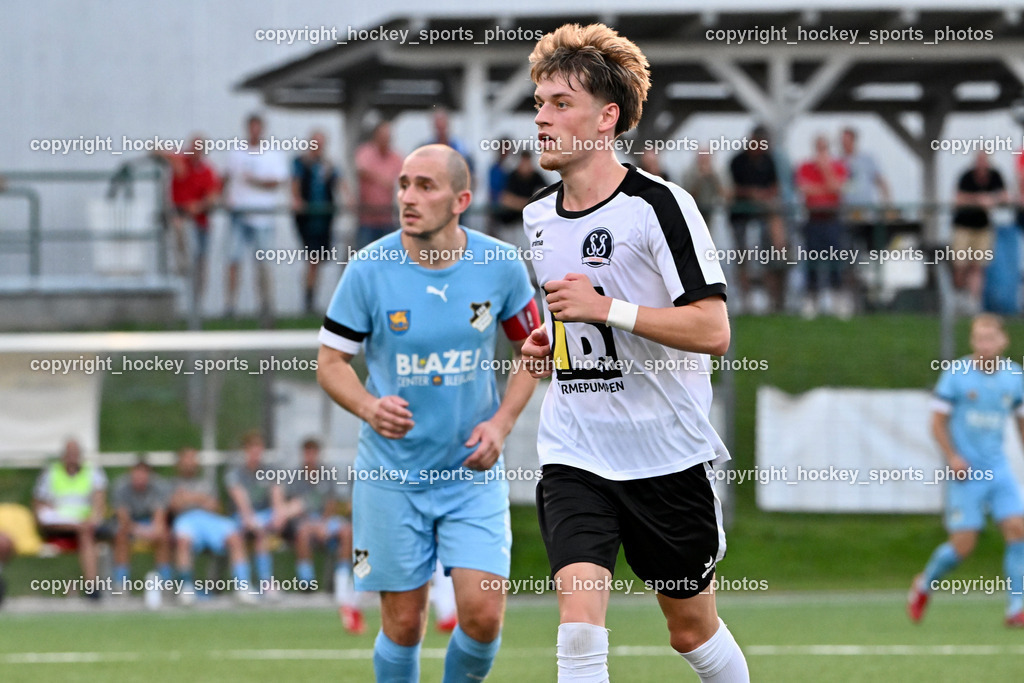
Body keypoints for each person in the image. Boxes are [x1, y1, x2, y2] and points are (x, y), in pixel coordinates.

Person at [520, 23, 748, 682]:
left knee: (690, 630)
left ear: (607, 117)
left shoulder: (661, 206)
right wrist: (554, 341)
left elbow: (713, 330)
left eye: (561, 103)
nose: (542, 118)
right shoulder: (538, 216)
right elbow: (578, 318)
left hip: (665, 455)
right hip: (576, 450)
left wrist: (605, 311)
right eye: (539, 103)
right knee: (578, 624)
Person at [317, 143, 541, 682]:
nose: (408, 197)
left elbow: (533, 352)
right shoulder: (369, 269)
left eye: (425, 186)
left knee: (482, 617)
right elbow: (330, 363)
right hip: (391, 475)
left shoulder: (499, 265)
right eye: (403, 185)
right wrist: (369, 406)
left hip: (470, 473)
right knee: (404, 625)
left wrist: (501, 424)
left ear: (461, 200)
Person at [908, 314, 1024, 627]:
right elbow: (937, 423)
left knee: (1018, 528)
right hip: (967, 472)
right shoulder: (956, 374)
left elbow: (1021, 421)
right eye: (979, 338)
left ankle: (1017, 606)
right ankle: (924, 584)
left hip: (998, 468)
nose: (984, 345)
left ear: (1003, 341)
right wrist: (953, 457)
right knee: (964, 544)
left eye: (990, 338)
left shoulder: (1015, 376)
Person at [277, 438, 364, 633]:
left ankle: (341, 584)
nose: (310, 456)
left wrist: (324, 523)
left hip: (324, 521)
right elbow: (292, 506)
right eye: (307, 452)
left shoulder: (327, 474)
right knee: (303, 531)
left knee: (346, 531)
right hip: (303, 521)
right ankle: (307, 583)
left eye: (313, 452)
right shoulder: (295, 477)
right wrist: (311, 523)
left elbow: (332, 503)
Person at [223, 113, 289, 321]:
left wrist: (254, 181)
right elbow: (226, 178)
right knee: (233, 260)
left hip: (263, 218)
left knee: (263, 265)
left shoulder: (272, 154)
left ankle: (266, 306)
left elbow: (277, 182)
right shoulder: (236, 152)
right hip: (239, 215)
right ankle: (230, 306)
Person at [168, 447, 254, 604]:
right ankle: (186, 587)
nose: (190, 463)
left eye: (193, 459)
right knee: (183, 538)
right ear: (179, 463)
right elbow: (174, 506)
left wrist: (189, 498)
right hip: (186, 520)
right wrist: (200, 498)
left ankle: (243, 586)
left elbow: (214, 506)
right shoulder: (171, 483)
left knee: (234, 535)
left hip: (209, 519)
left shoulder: (206, 482)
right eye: (187, 459)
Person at [33, 439, 108, 599]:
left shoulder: (92, 472)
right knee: (83, 531)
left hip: (84, 524)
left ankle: (92, 585)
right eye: (69, 454)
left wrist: (92, 519)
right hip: (57, 525)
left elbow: (99, 504)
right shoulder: (51, 473)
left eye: (75, 453)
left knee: (86, 532)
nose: (72, 457)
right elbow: (39, 505)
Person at [291, 130, 351, 314]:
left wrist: (349, 200)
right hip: (307, 219)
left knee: (318, 260)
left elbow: (340, 182)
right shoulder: (300, 163)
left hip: (324, 219)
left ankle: (312, 299)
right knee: (313, 259)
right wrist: (297, 200)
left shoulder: (328, 165)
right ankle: (308, 301)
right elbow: (295, 183)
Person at [157, 135, 221, 305]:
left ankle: (197, 303)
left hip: (200, 223)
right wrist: (170, 158)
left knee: (201, 263)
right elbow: (155, 149)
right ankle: (182, 265)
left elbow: (213, 197)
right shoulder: (181, 161)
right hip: (181, 217)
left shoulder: (207, 171)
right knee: (179, 226)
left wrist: (198, 206)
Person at [728, 126, 784, 313]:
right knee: (742, 257)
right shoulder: (737, 161)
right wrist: (752, 193)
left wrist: (763, 196)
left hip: (762, 217)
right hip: (741, 217)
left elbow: (775, 187)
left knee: (768, 257)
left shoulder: (768, 160)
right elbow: (731, 189)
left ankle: (770, 299)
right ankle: (745, 299)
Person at [794, 134, 849, 319]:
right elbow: (804, 189)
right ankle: (811, 298)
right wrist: (824, 188)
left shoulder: (838, 166)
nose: (821, 152)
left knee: (835, 258)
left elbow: (837, 188)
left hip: (832, 219)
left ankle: (837, 297)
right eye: (818, 148)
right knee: (812, 259)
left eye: (824, 148)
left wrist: (825, 170)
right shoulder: (805, 166)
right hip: (813, 219)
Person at [224, 430, 282, 593]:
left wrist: (278, 516)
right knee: (239, 537)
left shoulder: (271, 471)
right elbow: (241, 502)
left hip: (264, 517)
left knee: (261, 531)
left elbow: (277, 497)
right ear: (246, 450)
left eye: (258, 449)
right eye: (252, 449)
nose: (256, 454)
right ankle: (242, 584)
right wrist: (251, 520)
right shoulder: (235, 474)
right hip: (241, 518)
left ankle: (265, 583)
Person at [951, 152, 1008, 313]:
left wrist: (992, 199)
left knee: (978, 266)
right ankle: (958, 298)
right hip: (963, 227)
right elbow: (958, 199)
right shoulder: (966, 176)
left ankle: (974, 303)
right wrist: (978, 200)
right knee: (960, 265)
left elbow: (1005, 196)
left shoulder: (995, 176)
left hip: (983, 228)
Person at [111, 456, 173, 589]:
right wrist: (140, 530)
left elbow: (159, 519)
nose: (139, 479)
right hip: (129, 525)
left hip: (150, 523)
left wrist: (153, 530)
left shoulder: (160, 487)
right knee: (120, 535)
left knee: (163, 535)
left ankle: (165, 582)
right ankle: (121, 582)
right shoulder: (120, 487)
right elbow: (123, 520)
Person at [354, 121, 403, 250]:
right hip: (367, 219)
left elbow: (402, 179)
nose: (386, 140)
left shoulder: (395, 157)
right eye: (383, 136)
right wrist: (383, 180)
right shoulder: (365, 152)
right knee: (365, 257)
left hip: (387, 218)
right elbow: (362, 170)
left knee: (388, 258)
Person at [494, 151, 549, 250]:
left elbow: (548, 194)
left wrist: (522, 204)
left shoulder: (536, 176)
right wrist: (527, 204)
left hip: (529, 222)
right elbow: (505, 199)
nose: (525, 165)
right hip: (510, 222)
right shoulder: (512, 176)